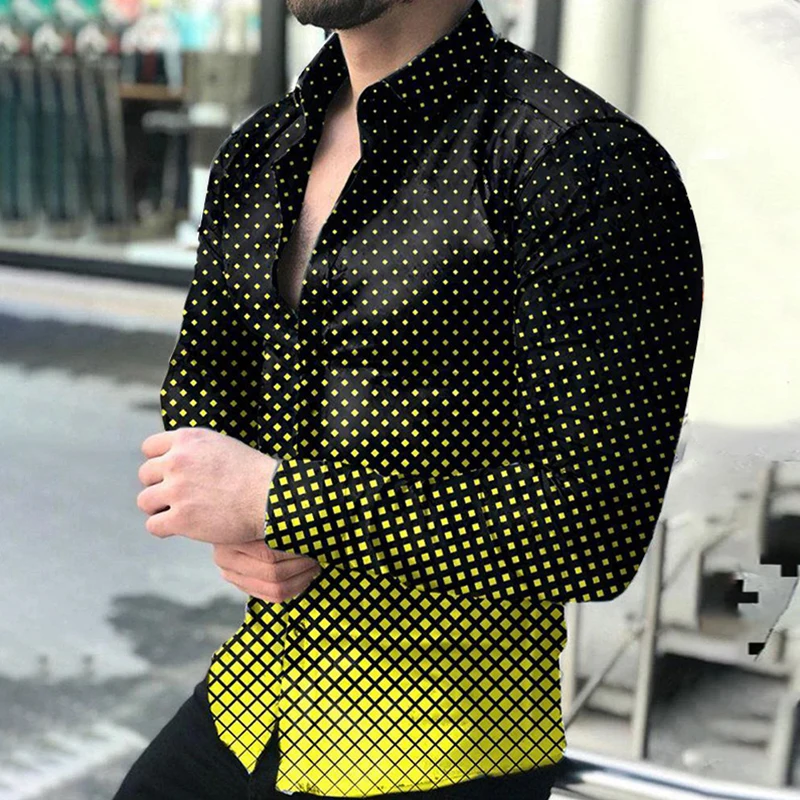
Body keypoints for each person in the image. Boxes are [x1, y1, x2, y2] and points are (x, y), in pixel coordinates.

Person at [116, 0, 704, 797]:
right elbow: (202, 395)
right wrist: (235, 518)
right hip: (253, 704)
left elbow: (593, 529)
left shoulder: (580, 162)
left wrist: (278, 502)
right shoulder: (262, 149)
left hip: (442, 745)